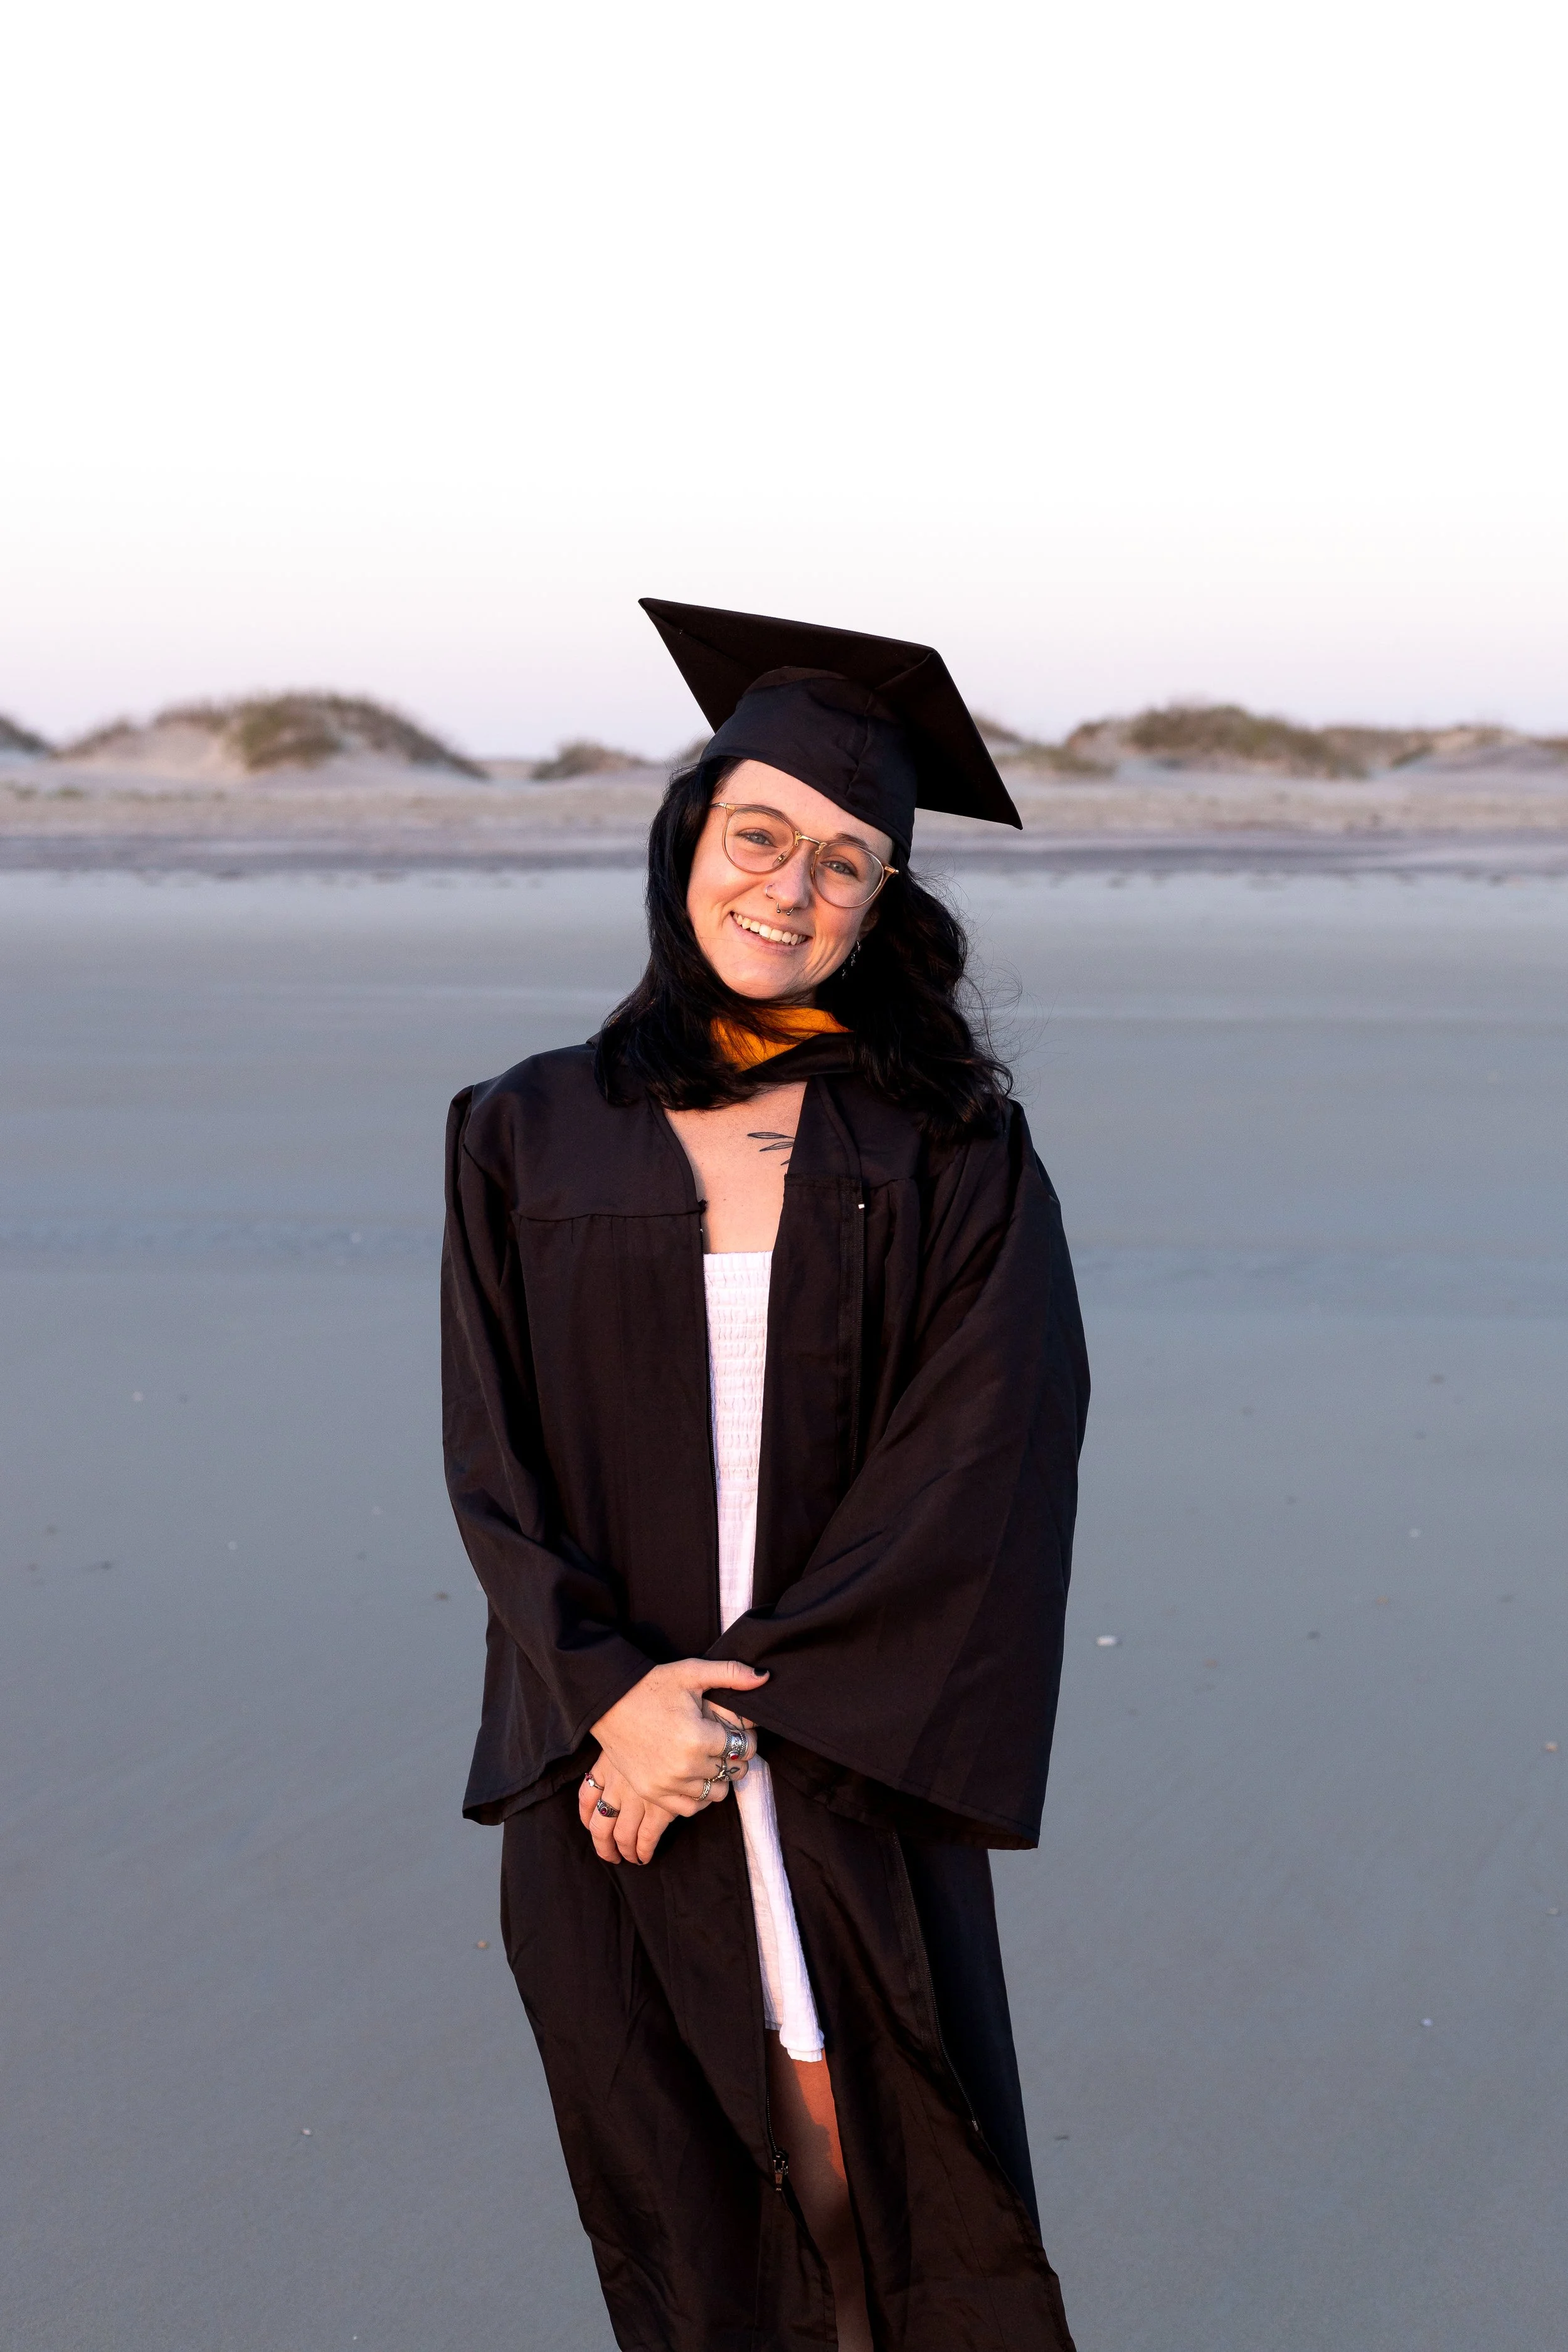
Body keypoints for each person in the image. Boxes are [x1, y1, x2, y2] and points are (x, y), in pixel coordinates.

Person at [441, 599, 1089, 2351]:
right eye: (760, 835)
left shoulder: (949, 1149)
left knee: (865, 2174)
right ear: (689, 836)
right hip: (605, 1775)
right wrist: (610, 1707)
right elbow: (491, 1470)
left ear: (884, 907)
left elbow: (985, 1465)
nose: (789, 890)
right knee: (671, 2201)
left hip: (828, 1753)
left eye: (845, 863)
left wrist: (723, 1718)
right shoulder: (523, 1127)